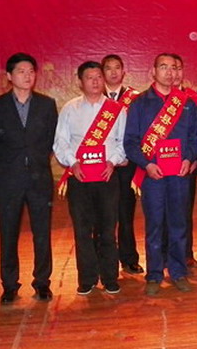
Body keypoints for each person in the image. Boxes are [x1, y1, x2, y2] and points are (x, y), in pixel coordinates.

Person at [124, 53, 197, 296]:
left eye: (173, 67)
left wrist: (189, 158)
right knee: (155, 224)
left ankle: (178, 272)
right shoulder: (140, 103)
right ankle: (154, 274)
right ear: (153, 72)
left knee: (179, 223)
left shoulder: (186, 103)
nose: (169, 72)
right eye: (163, 67)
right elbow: (130, 142)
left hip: (179, 174)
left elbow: (194, 137)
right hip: (153, 175)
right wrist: (146, 164)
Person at [0, 53, 58, 304]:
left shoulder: (46, 105)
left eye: (31, 71)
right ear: (9, 76)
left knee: (42, 233)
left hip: (39, 179)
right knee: (8, 233)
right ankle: (9, 285)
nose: (27, 76)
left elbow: (50, 140)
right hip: (9, 180)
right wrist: (15, 164)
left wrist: (35, 160)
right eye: (21, 71)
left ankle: (42, 282)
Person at [53, 61, 125, 295]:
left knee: (108, 229)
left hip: (107, 177)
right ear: (80, 82)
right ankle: (87, 278)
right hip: (80, 178)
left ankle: (110, 277)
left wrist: (112, 161)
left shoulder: (116, 109)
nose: (95, 81)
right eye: (89, 77)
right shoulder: (70, 109)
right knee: (83, 230)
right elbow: (60, 142)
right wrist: (72, 163)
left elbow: (123, 142)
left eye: (98, 77)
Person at [101, 54, 144, 275]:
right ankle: (104, 261)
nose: (113, 72)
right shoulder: (94, 97)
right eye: (108, 68)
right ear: (102, 73)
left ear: (123, 71)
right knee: (103, 216)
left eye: (117, 67)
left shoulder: (135, 99)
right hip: (100, 166)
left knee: (125, 214)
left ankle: (129, 259)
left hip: (127, 165)